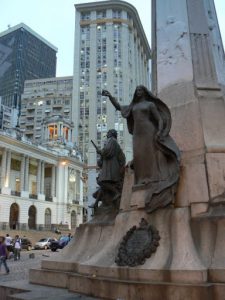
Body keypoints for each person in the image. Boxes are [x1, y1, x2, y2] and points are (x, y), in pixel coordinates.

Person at [102, 86, 180, 212]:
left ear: (145, 92)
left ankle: (152, 178)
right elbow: (119, 107)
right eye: (137, 90)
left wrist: (160, 131)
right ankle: (142, 179)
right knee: (139, 156)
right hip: (138, 134)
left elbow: (159, 119)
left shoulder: (150, 105)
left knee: (149, 154)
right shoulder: (133, 107)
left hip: (149, 131)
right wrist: (110, 96)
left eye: (141, 90)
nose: (139, 92)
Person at [90, 129, 126, 209]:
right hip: (109, 168)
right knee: (102, 185)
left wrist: (100, 151)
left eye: (108, 133)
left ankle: (116, 193)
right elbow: (102, 160)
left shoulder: (112, 141)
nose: (107, 135)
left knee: (102, 182)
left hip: (111, 168)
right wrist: (100, 154)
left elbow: (106, 152)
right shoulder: (112, 142)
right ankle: (96, 204)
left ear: (112, 134)